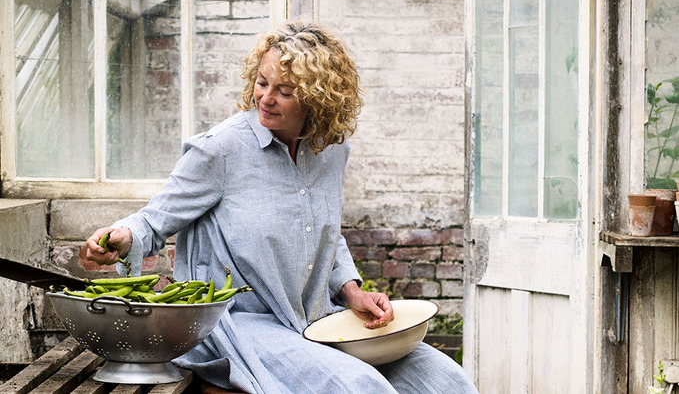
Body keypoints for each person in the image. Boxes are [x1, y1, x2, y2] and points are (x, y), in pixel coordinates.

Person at [85, 20, 478, 394]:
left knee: (445, 380)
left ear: (319, 98)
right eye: (261, 82)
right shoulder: (220, 149)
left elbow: (325, 233)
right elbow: (153, 222)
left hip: (316, 320)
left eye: (285, 91)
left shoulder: (331, 150)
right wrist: (121, 236)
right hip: (238, 327)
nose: (265, 98)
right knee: (360, 387)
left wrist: (351, 289)